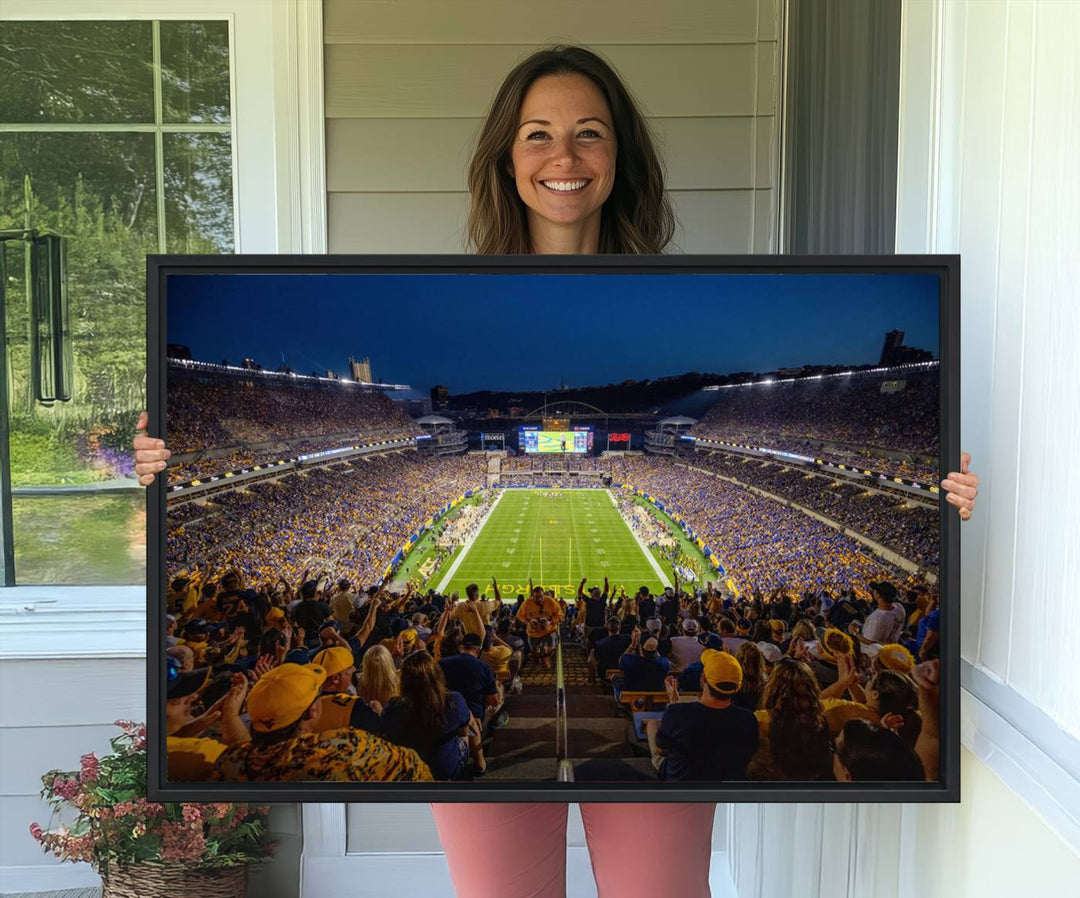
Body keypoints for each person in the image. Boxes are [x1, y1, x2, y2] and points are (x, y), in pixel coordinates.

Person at [136, 42, 980, 898]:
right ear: (506, 156)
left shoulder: (672, 288)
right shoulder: (454, 282)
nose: (564, 156)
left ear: (622, 157)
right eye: (537, 133)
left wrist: (946, 500)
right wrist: (160, 464)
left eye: (590, 133)